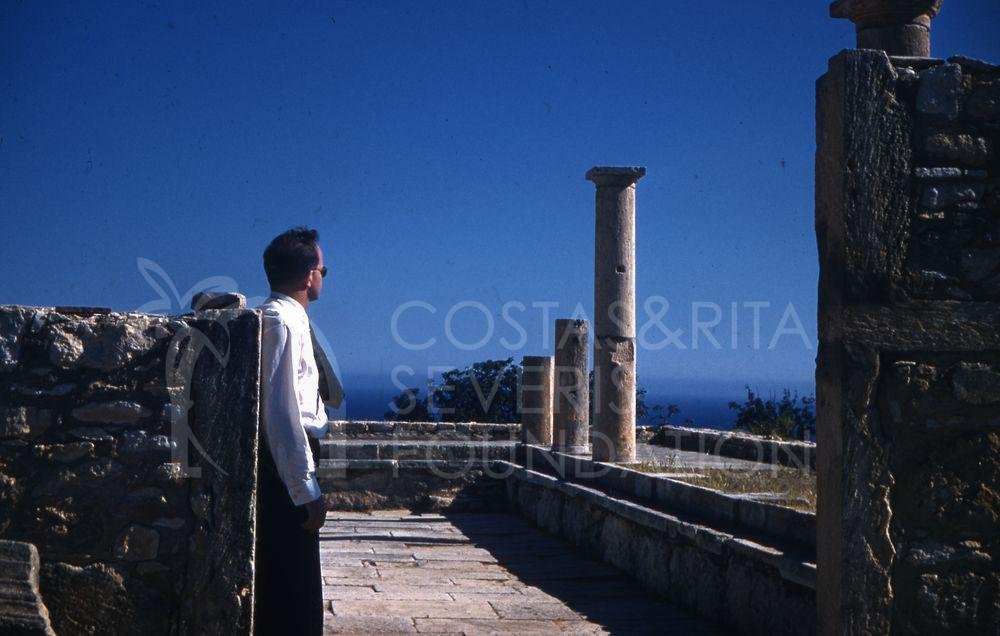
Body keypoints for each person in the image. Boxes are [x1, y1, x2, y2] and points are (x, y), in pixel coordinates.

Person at [254, 227, 330, 635]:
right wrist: (305, 490)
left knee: (294, 584)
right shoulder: (281, 322)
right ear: (307, 276)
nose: (323, 277)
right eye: (323, 269)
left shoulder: (288, 319)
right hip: (286, 464)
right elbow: (282, 413)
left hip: (291, 459)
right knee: (292, 591)